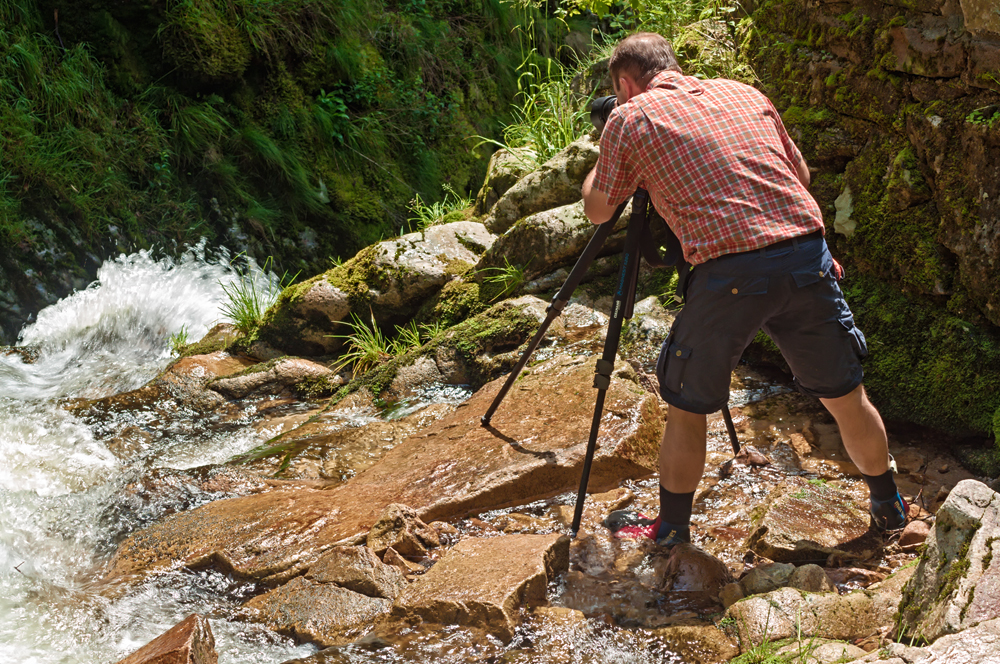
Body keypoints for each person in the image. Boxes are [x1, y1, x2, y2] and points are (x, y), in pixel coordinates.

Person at [581, 32, 908, 547]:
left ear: (625, 83)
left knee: (687, 407)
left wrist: (609, 151)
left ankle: (670, 531)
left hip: (729, 273)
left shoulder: (629, 118)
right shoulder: (743, 92)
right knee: (846, 396)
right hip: (806, 256)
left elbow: (599, 209)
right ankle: (889, 507)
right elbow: (797, 173)